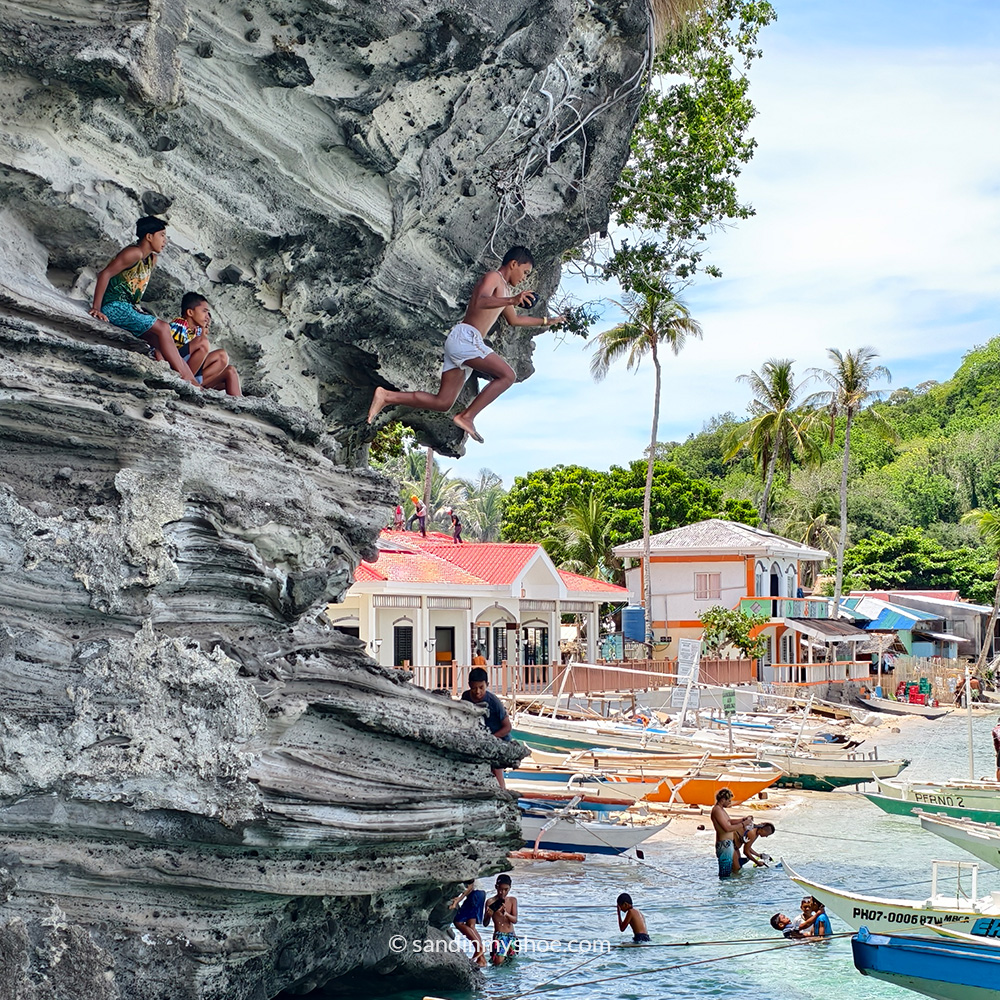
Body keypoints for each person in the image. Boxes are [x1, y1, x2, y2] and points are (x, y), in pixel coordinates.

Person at [366, 246, 565, 444]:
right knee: (507, 375)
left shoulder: (505, 290)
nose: (524, 278)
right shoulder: (493, 277)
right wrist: (512, 299)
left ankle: (387, 396)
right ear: (514, 264)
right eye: (525, 272)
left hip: (464, 342)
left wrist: (548, 321)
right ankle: (466, 417)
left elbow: (515, 320)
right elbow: (481, 301)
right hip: (466, 337)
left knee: (443, 402)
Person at [89, 217, 198, 386]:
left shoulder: (151, 259)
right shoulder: (134, 253)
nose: (165, 241)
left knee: (159, 341)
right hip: (114, 307)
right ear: (149, 236)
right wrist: (97, 308)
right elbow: (105, 274)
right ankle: (187, 379)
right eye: (161, 235)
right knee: (163, 328)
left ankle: (193, 382)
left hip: (128, 309)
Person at [168, 293, 242, 396]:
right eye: (204, 312)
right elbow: (166, 349)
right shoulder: (179, 325)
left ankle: (240, 402)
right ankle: (187, 381)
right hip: (175, 368)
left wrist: (203, 330)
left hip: (191, 371)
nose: (207, 317)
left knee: (226, 363)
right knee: (203, 343)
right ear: (190, 312)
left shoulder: (196, 331)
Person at [461, 667, 511, 789]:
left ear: (487, 685)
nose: (477, 692)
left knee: (495, 766)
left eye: (481, 688)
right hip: (478, 737)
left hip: (498, 738)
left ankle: (501, 790)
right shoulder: (465, 697)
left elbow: (507, 727)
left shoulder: (494, 702)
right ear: (469, 685)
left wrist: (491, 738)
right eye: (474, 688)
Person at [711, 787, 752, 879]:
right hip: (724, 844)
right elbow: (727, 828)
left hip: (727, 844)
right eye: (728, 801)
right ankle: (725, 891)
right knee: (725, 874)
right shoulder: (717, 810)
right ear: (723, 799)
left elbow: (728, 821)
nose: (730, 803)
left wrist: (741, 820)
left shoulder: (721, 809)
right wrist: (743, 824)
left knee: (729, 871)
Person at [449, 880, 487, 967]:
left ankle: (480, 947)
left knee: (458, 921)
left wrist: (457, 900)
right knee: (471, 926)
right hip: (480, 893)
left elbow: (469, 887)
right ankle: (481, 959)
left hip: (475, 894)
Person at [486, 875, 518, 965]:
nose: (502, 892)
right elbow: (485, 923)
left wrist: (506, 914)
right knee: (498, 963)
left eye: (506, 890)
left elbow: (515, 920)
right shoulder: (490, 902)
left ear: (510, 888)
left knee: (511, 963)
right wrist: (489, 915)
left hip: (511, 936)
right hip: (499, 936)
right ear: (496, 887)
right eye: (500, 889)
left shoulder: (512, 900)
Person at [992, 716, 1000, 782]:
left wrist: (997, 752)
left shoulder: (995, 729)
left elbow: (996, 743)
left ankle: (998, 783)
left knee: (999, 768)